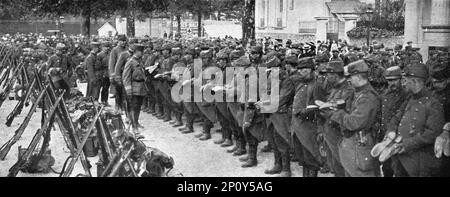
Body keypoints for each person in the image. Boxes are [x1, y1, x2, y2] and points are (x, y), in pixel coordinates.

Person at [387, 63, 445, 177]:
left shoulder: (433, 103)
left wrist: (406, 144)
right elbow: (396, 117)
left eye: (406, 80)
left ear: (414, 81)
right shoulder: (410, 98)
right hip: (401, 160)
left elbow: (432, 133)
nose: (404, 83)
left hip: (417, 163)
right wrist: (391, 131)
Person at [329, 60, 381, 177]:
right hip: (354, 144)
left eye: (350, 77)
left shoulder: (367, 97)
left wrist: (336, 113)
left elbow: (354, 122)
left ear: (358, 76)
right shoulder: (359, 93)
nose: (349, 80)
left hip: (359, 145)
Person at [291, 57, 325, 177]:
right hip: (298, 126)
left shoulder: (316, 85)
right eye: (299, 69)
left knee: (311, 157)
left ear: (311, 70)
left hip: (309, 127)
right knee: (303, 158)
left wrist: (309, 111)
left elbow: (322, 107)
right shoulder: (301, 84)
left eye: (303, 69)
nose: (300, 72)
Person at [319, 60, 354, 177]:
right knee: (335, 165)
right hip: (330, 132)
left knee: (343, 166)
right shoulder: (335, 88)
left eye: (328, 74)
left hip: (339, 133)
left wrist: (326, 110)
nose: (326, 77)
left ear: (335, 75)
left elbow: (343, 112)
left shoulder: (348, 90)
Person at [378, 66, 408, 177]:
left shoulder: (407, 95)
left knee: (400, 169)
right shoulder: (385, 95)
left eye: (395, 80)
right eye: (389, 80)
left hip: (399, 138)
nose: (392, 83)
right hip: (386, 137)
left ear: (401, 79)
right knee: (386, 167)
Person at [123, 44, 147, 139]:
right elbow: (126, 78)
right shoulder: (130, 62)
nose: (142, 53)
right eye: (141, 51)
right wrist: (129, 91)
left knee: (138, 107)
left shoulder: (139, 61)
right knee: (133, 108)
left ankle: (135, 123)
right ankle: (134, 128)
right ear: (136, 52)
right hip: (134, 88)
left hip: (141, 88)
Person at [109, 35, 127, 112]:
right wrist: (112, 74)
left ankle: (124, 106)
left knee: (125, 90)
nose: (123, 42)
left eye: (124, 41)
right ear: (118, 41)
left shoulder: (127, 49)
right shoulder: (115, 50)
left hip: (126, 72)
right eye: (121, 41)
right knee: (118, 90)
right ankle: (117, 105)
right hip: (118, 73)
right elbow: (112, 63)